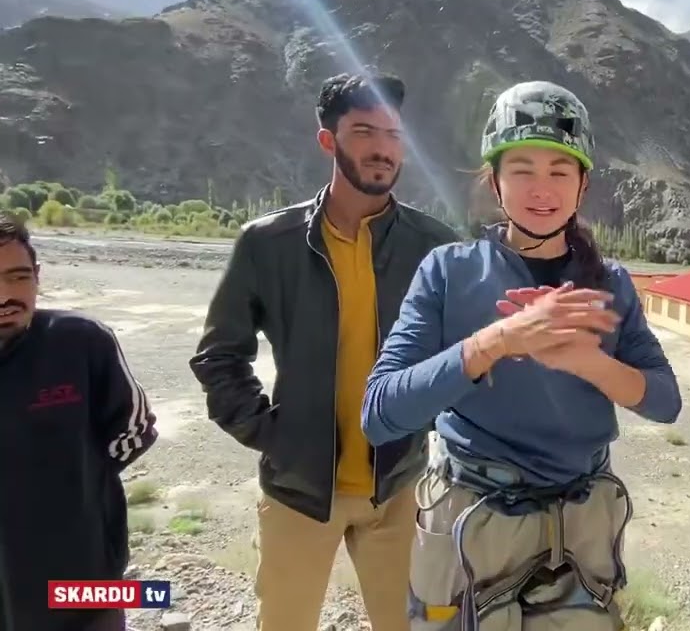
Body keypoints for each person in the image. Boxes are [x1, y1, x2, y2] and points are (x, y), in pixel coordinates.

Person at [362, 80, 683, 631]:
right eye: (522, 169)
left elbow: (666, 402)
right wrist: (497, 342)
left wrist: (586, 361)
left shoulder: (610, 284)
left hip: (582, 526)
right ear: (495, 181)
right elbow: (381, 413)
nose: (541, 189)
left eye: (559, 171)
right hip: (473, 520)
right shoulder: (449, 272)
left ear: (582, 185)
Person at [189, 71, 460, 631]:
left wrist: (429, 431)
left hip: (399, 490)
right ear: (327, 140)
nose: (382, 148)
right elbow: (220, 355)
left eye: (393, 134)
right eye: (364, 132)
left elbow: (459, 359)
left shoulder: (434, 247)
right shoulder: (268, 244)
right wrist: (274, 436)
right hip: (300, 493)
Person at [0, 212, 158, 631]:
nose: (5, 295)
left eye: (18, 277)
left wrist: (72, 480)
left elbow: (134, 431)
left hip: (85, 583)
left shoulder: (82, 342)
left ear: (37, 276)